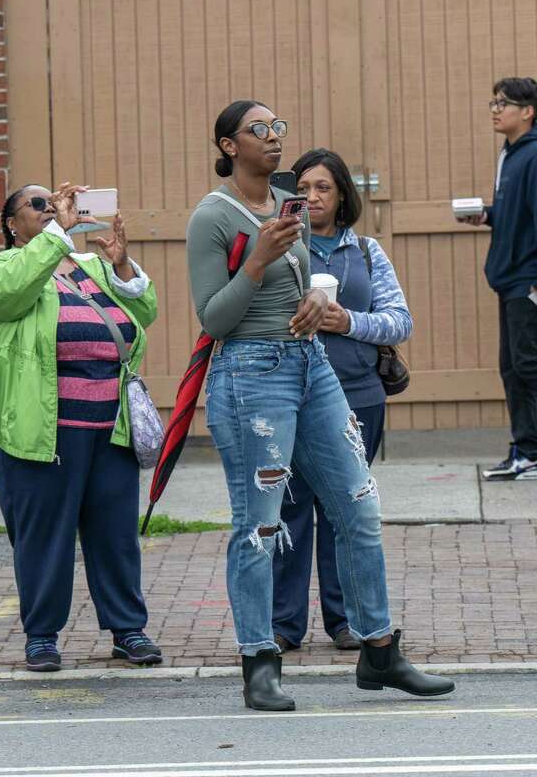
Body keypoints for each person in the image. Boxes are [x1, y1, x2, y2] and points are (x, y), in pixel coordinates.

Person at [187, 99, 453, 711]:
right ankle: (259, 661)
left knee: (358, 506)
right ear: (229, 146)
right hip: (251, 376)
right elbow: (214, 317)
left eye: (278, 127)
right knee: (259, 524)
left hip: (312, 367)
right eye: (259, 130)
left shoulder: (288, 208)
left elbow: (295, 287)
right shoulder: (212, 217)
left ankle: (379, 651)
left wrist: (310, 306)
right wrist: (255, 259)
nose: (274, 137)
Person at [0, 183, 161, 672]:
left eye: (54, 202)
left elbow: (145, 313)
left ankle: (128, 630)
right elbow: (12, 293)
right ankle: (41, 636)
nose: (50, 209)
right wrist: (57, 233)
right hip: (42, 432)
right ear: (12, 225)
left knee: (115, 533)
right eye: (37, 205)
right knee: (44, 537)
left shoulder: (94, 269)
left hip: (110, 428)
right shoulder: (3, 269)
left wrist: (122, 265)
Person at [271, 148, 413, 653]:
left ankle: (346, 621)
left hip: (358, 398)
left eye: (323, 188)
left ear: (341, 195)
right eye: (303, 187)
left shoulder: (368, 252)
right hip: (288, 397)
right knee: (288, 511)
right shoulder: (279, 245)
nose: (311, 197)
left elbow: (400, 320)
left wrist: (347, 321)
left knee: (344, 513)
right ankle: (283, 624)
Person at [458, 78, 537, 482]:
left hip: (528, 281)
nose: (495, 109)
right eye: (493, 102)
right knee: (513, 367)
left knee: (527, 365)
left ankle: (532, 452)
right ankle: (525, 450)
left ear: (528, 111)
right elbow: (518, 216)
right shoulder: (511, 155)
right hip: (510, 280)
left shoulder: (534, 155)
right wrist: (487, 216)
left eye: (503, 103)